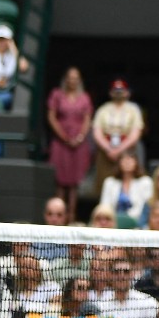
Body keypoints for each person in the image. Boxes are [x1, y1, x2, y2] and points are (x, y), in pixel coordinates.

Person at [46, 66, 93, 222]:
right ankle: (58, 216)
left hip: (79, 145)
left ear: (79, 80)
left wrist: (80, 137)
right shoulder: (57, 94)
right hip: (61, 143)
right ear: (65, 79)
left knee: (74, 182)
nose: (72, 81)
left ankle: (71, 217)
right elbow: (52, 117)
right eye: (70, 77)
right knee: (60, 180)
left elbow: (87, 119)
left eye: (76, 78)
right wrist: (64, 137)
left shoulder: (85, 97)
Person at [91, 78, 144, 192]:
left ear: (127, 92)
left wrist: (120, 149)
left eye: (121, 90)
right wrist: (108, 149)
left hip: (128, 151)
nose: (118, 93)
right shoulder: (103, 109)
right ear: (110, 92)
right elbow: (97, 131)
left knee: (127, 180)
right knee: (104, 183)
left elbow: (136, 132)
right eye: (116, 90)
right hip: (106, 152)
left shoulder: (133, 109)